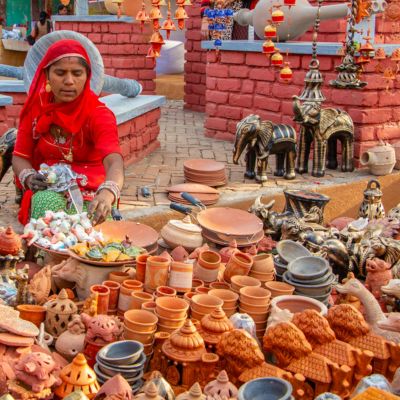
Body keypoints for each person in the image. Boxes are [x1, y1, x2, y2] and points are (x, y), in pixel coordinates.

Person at [12, 39, 124, 226]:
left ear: (86, 76)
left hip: (92, 189)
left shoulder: (98, 114)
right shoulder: (36, 109)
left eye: (77, 73)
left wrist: (108, 192)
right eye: (60, 73)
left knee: (90, 225)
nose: (69, 81)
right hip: (49, 186)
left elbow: (114, 160)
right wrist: (30, 177)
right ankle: (45, 254)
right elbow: (19, 156)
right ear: (47, 74)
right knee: (45, 209)